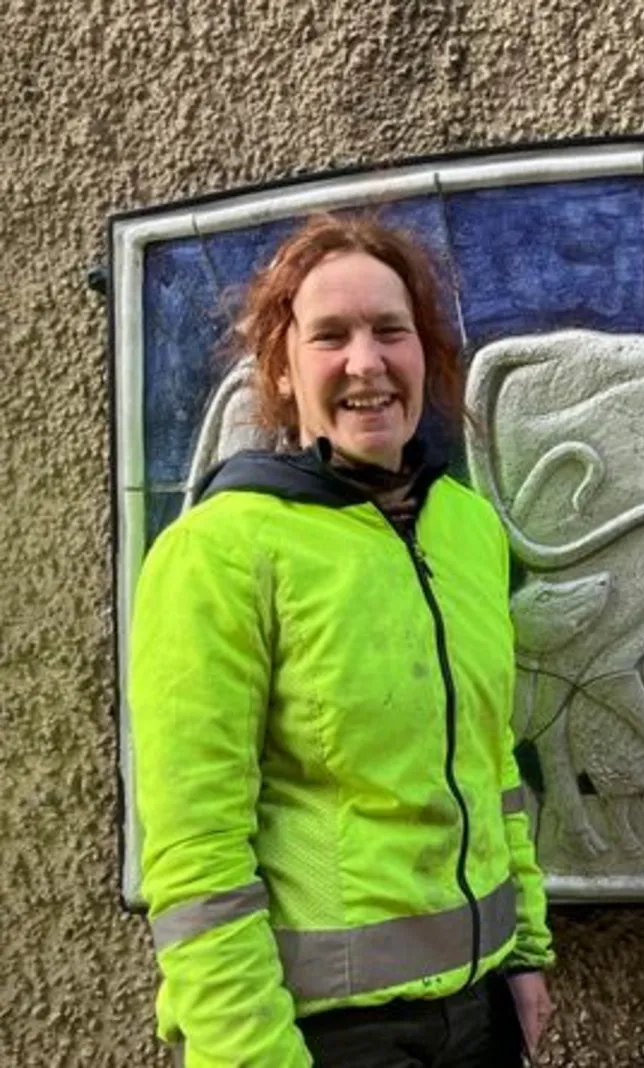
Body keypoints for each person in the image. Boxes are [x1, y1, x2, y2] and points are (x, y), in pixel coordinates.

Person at [130, 214, 554, 1067]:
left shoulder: (466, 529)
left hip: (477, 1021)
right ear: (282, 371)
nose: (367, 362)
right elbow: (195, 853)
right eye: (331, 336)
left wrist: (525, 953)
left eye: (390, 331)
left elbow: (490, 761)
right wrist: (250, 1054)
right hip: (322, 1036)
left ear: (423, 354)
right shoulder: (218, 552)